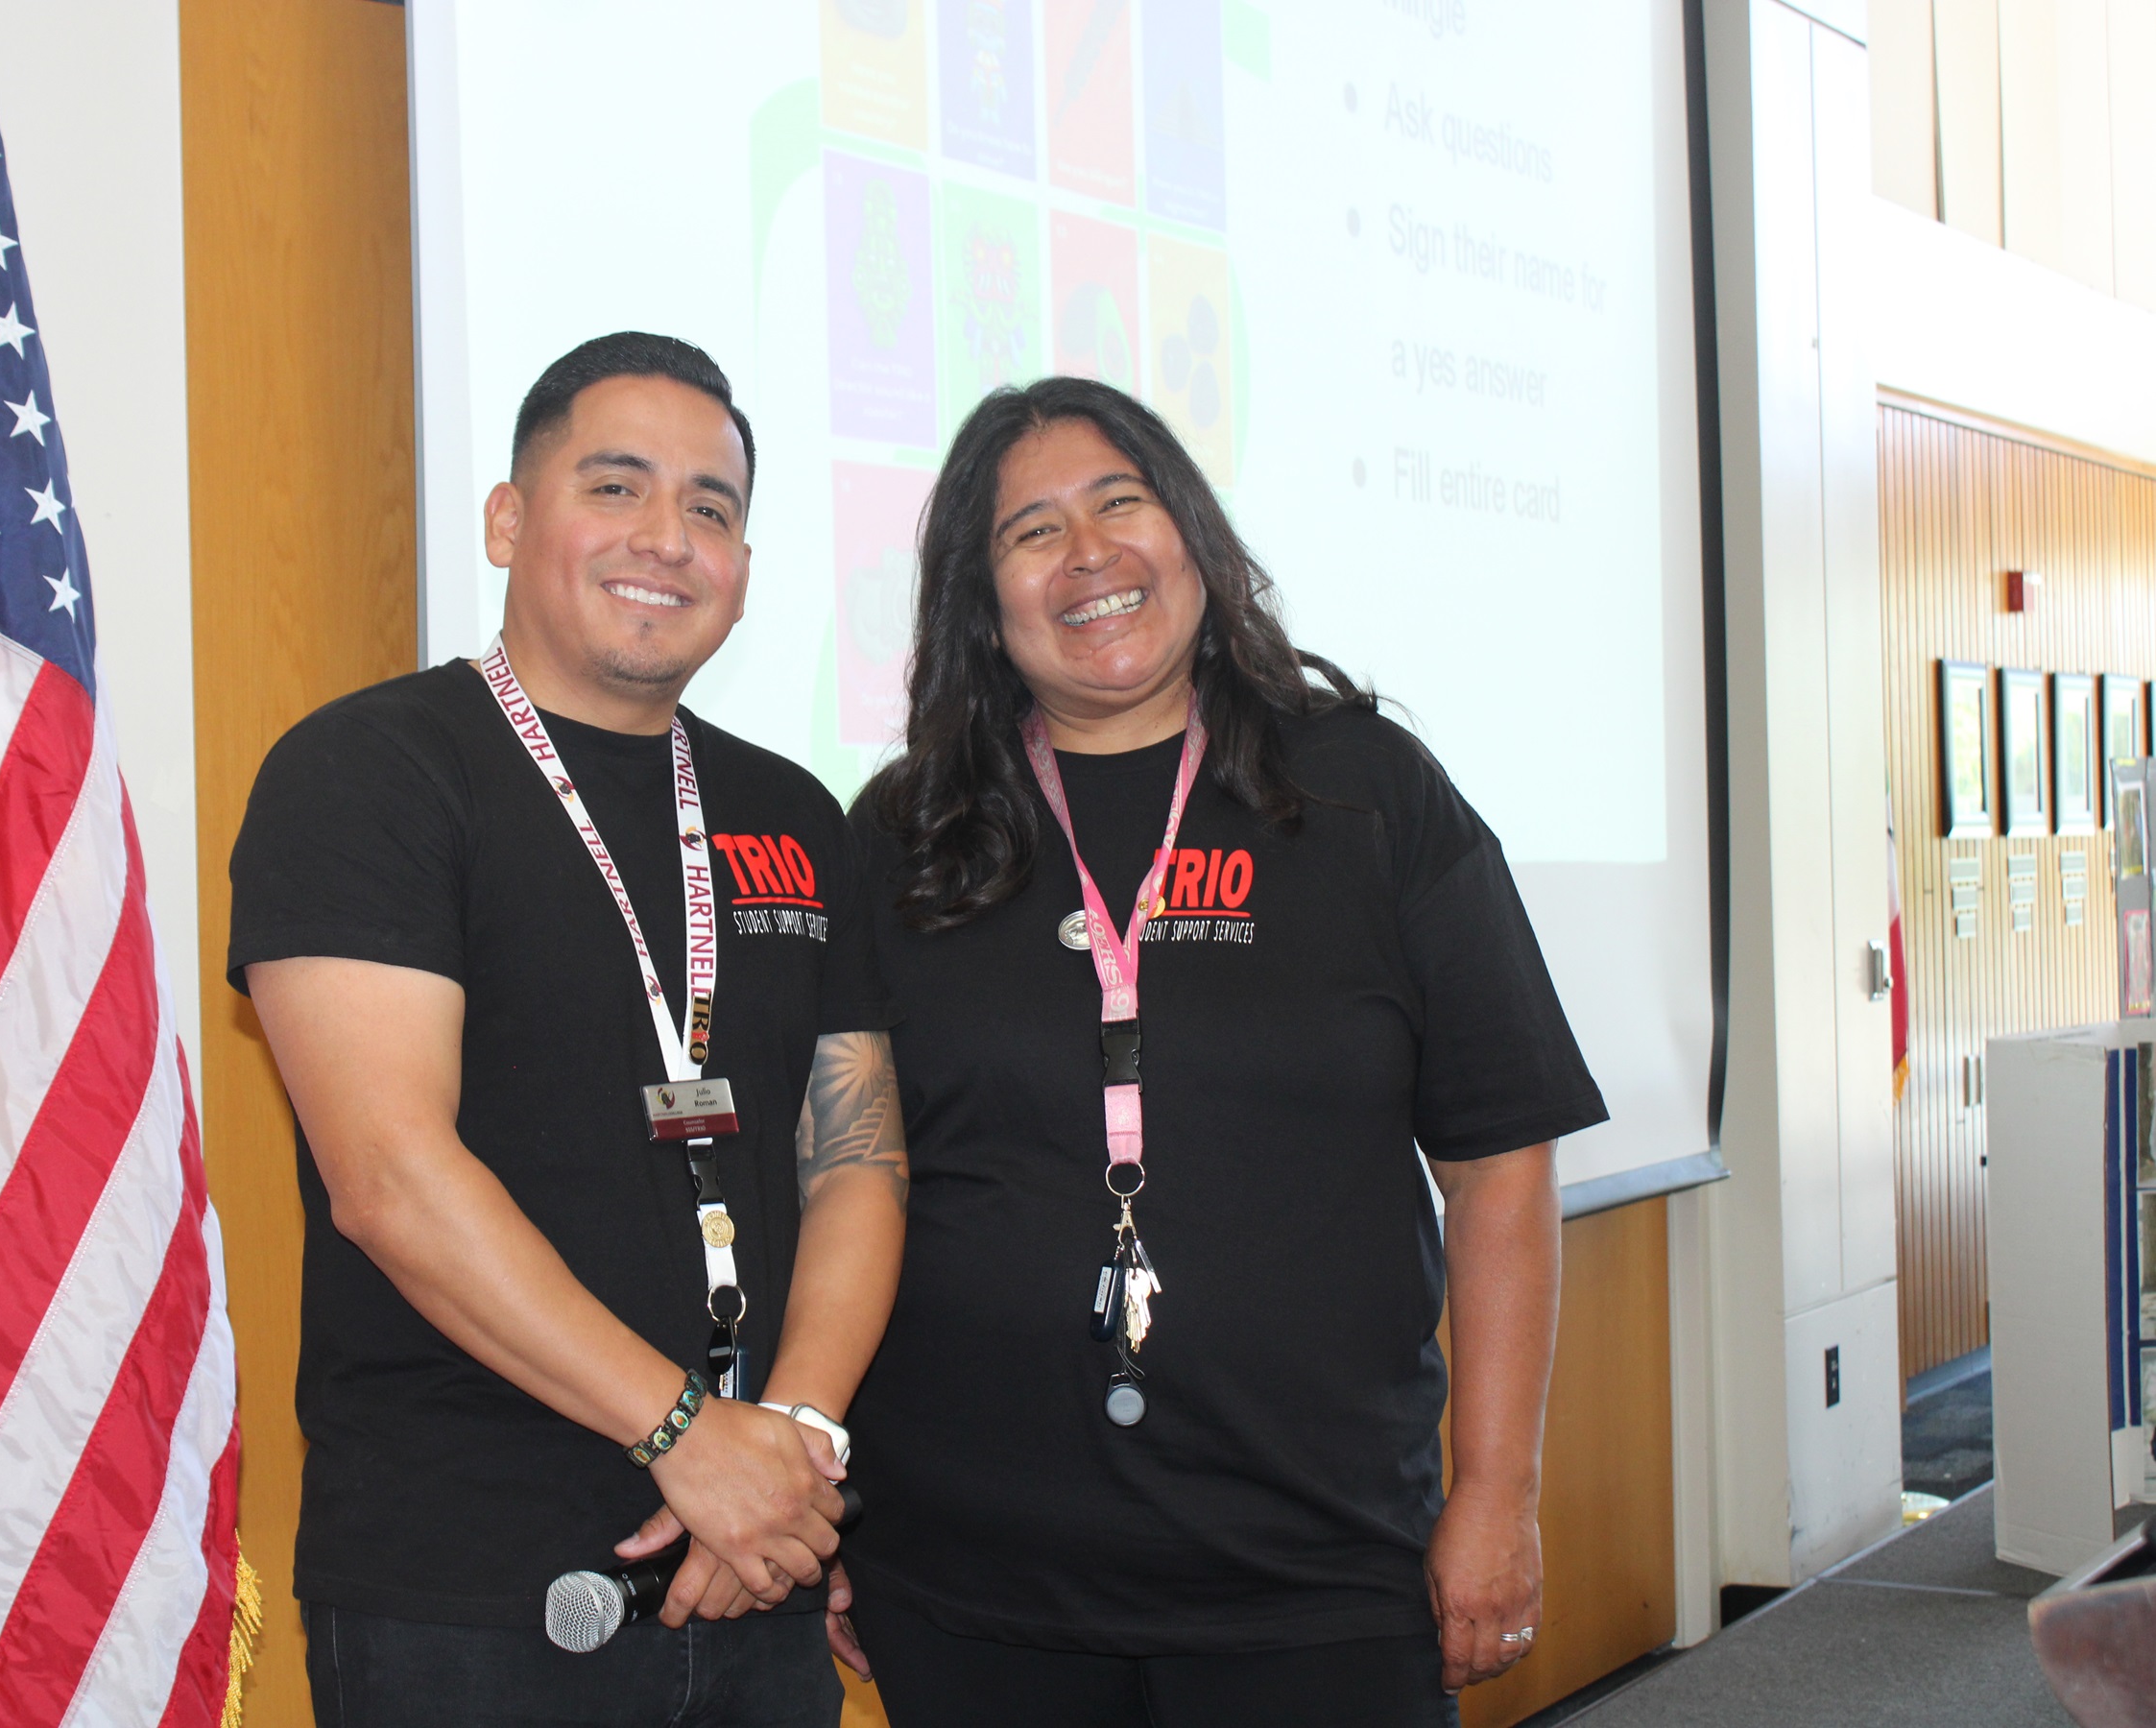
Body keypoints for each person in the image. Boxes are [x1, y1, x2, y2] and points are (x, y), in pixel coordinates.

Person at [838, 376, 1606, 1727]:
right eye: (1031, 532)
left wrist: (1496, 1496)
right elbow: (842, 1178)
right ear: (982, 596)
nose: (1090, 557)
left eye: (1120, 504)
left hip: (1314, 1574)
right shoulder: (908, 836)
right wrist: (822, 1484)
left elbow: (1501, 1173)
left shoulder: (1366, 796)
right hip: (970, 1579)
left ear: (1193, 530)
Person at [229, 333, 909, 1728]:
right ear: (507, 517)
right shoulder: (369, 774)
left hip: (757, 1563)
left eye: (712, 509)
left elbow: (856, 1157)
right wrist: (686, 1436)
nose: (667, 537)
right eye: (617, 486)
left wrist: (793, 1445)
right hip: (472, 1594)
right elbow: (391, 1180)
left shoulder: (794, 814)